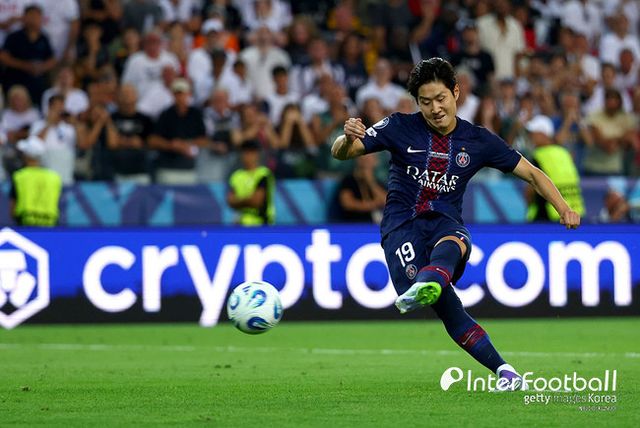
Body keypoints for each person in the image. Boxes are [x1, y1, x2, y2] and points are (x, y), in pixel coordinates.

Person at [331, 57, 580, 390]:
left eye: (441, 98)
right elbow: (342, 153)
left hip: (444, 222)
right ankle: (502, 367)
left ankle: (434, 282)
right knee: (449, 309)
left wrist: (563, 208)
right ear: (416, 102)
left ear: (456, 92)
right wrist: (347, 137)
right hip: (401, 227)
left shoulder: (478, 140)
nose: (435, 108)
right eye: (426, 102)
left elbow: (532, 174)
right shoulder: (399, 126)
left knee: (455, 240)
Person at [524, 115, 585, 222]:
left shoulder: (539, 155)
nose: (530, 137)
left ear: (543, 134)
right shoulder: (564, 153)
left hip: (545, 216)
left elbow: (530, 192)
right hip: (573, 215)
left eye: (533, 133)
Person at [9, 136, 62, 227]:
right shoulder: (55, 177)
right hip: (50, 225)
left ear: (27, 156)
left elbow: (12, 208)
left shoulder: (20, 176)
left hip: (25, 225)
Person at [227, 140, 275, 226]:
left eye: (251, 152)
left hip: (261, 224)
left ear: (257, 154)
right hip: (240, 223)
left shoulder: (263, 174)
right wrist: (248, 199)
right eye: (245, 152)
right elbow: (230, 201)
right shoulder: (236, 175)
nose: (247, 156)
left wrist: (238, 201)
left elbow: (256, 201)